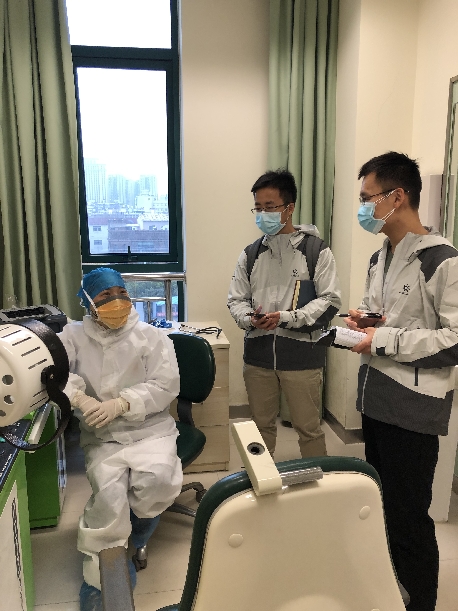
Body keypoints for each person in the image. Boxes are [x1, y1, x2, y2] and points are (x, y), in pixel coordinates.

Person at [346, 151, 458, 611]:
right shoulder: (382, 256)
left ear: (397, 197)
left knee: (409, 516)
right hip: (377, 397)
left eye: (367, 198)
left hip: (414, 406)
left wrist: (384, 338)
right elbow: (393, 318)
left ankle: (421, 602)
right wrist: (366, 322)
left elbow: (454, 339)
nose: (363, 207)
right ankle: (393, 589)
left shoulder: (442, 260)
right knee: (385, 508)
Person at [58, 268, 183, 611]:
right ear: (88, 302)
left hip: (150, 429)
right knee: (109, 497)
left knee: (158, 480)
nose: (117, 301)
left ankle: (138, 533)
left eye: (121, 293)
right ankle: (101, 579)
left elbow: (166, 384)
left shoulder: (150, 337)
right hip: (103, 434)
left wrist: (123, 403)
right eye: (105, 296)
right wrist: (80, 399)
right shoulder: (72, 337)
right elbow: (53, 373)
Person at [227, 169, 341, 457]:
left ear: (289, 208)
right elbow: (236, 299)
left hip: (302, 356)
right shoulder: (250, 254)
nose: (262, 214)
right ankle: (260, 479)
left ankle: (316, 481)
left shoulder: (316, 251)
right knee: (260, 428)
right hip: (258, 357)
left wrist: (287, 318)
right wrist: (249, 318)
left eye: (269, 207)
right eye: (258, 208)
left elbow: (330, 301)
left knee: (309, 428)